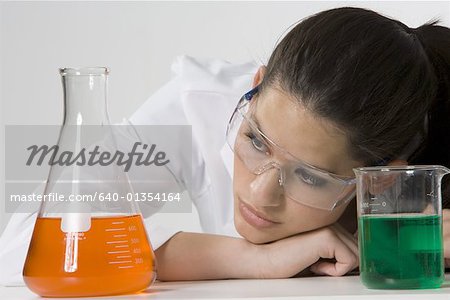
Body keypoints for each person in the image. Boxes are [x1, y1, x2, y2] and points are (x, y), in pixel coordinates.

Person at [1, 7, 450, 284]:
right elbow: (24, 244)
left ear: (383, 174)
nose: (259, 195)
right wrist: (255, 260)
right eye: (256, 141)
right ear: (254, 87)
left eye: (311, 176)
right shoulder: (200, 102)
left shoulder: (422, 188)